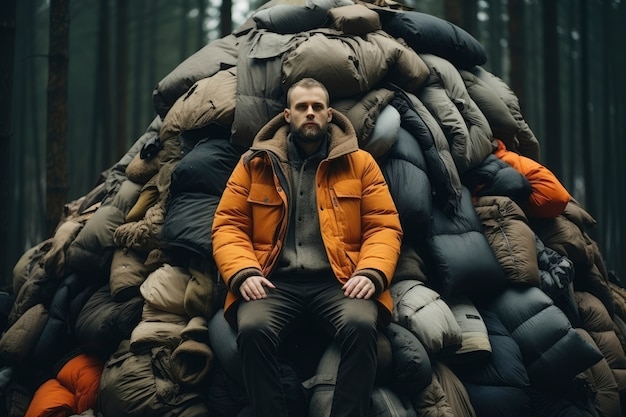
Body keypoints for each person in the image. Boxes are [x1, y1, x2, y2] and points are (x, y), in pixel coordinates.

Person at [211, 77, 403, 417]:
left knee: (362, 326)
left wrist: (371, 273)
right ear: (288, 115)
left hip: (339, 280)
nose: (310, 113)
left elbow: (383, 226)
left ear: (330, 115)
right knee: (252, 330)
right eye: (302, 107)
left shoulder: (360, 163)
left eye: (317, 107)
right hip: (274, 281)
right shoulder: (255, 163)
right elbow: (228, 225)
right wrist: (243, 272)